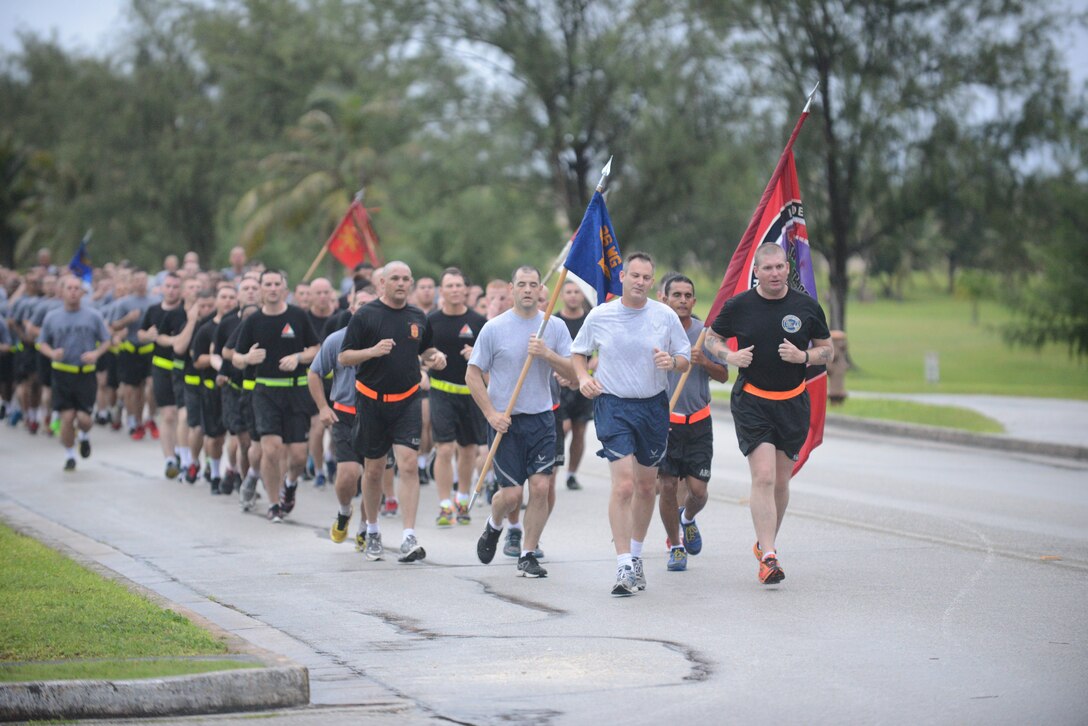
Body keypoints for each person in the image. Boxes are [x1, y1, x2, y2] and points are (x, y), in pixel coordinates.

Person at [704, 242, 833, 585]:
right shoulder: (740, 306)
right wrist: (728, 356)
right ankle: (770, 556)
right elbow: (710, 339)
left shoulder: (806, 306)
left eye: (780, 267)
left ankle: (764, 544)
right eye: (768, 268)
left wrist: (804, 358)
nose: (775, 274)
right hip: (752, 401)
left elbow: (827, 350)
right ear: (756, 272)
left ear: (786, 269)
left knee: (780, 480)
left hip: (792, 401)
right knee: (762, 477)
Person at [571, 252, 690, 596]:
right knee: (623, 486)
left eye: (646, 277)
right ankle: (622, 562)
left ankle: (636, 555)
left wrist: (673, 361)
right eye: (633, 275)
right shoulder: (601, 314)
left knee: (645, 487)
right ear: (622, 276)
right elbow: (578, 353)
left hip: (653, 406)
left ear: (653, 282)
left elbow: (684, 360)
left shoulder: (664, 315)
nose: (639, 282)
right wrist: (582, 377)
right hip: (613, 405)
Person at [468, 266, 574, 578]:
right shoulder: (494, 328)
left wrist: (547, 355)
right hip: (505, 421)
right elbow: (472, 374)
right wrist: (491, 413)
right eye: (521, 284)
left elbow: (572, 372)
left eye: (533, 285)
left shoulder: (552, 327)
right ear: (512, 289)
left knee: (541, 487)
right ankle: (493, 525)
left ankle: (528, 553)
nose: (527, 290)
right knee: (512, 496)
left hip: (541, 418)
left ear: (541, 290)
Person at [338, 261, 446, 563]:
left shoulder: (417, 316)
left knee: (408, 464)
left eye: (405, 279)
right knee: (373, 470)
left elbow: (425, 350)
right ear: (382, 282)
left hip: (408, 399)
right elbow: (345, 357)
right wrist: (372, 352)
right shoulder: (365, 315)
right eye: (394, 278)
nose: (401, 283)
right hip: (372, 400)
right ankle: (372, 529)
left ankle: (408, 536)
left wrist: (436, 358)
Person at [233, 270, 320, 523]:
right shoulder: (252, 321)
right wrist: (248, 359)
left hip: (295, 390)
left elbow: (316, 348)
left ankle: (290, 484)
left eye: (276, 284)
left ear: (285, 288)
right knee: (271, 450)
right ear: (260, 289)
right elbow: (236, 358)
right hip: (265, 391)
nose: (272, 288)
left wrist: (298, 358)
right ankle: (273, 504)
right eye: (267, 284)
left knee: (299, 455)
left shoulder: (297, 316)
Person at [657, 275, 728, 573]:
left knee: (698, 491)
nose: (683, 300)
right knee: (668, 486)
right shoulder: (656, 332)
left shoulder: (705, 334)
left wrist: (704, 361)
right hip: (665, 422)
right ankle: (674, 545)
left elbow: (724, 375)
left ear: (694, 301)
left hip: (698, 422)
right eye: (677, 295)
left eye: (688, 295)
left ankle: (687, 519)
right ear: (665, 299)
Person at [426, 267, 488, 527]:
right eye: (448, 286)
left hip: (471, 394)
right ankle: (444, 504)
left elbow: (490, 362)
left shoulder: (478, 322)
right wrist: (431, 359)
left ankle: (462, 497)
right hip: (441, 391)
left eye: (458, 285)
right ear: (442, 291)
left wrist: (476, 354)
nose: (454, 290)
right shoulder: (431, 321)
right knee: (445, 448)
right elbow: (421, 354)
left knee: (468, 450)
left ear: (466, 290)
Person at [308, 287, 371, 544]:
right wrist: (323, 407)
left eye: (372, 304)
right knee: (348, 474)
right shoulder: (337, 340)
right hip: (345, 414)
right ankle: (344, 512)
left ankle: (368, 527)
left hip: (378, 414)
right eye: (361, 304)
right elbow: (314, 374)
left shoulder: (389, 341)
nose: (366, 309)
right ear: (352, 309)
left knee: (373, 474)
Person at [35, 275, 111, 470]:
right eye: (69, 288)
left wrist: (96, 353)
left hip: (85, 374)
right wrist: (52, 352)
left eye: (77, 288)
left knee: (84, 419)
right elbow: (41, 342)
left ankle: (84, 436)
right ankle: (70, 455)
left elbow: (106, 341)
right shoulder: (52, 317)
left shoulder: (93, 315)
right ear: (62, 291)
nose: (73, 292)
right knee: (67, 417)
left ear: (82, 292)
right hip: (62, 373)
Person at [191, 284, 238, 494]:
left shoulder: (240, 326)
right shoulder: (206, 328)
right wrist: (212, 359)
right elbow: (196, 360)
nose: (228, 301)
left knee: (238, 436)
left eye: (231, 297)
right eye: (224, 297)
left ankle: (234, 472)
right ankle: (215, 473)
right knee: (215, 437)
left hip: (235, 389)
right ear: (217, 301)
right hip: (212, 390)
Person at [139, 273, 186, 478]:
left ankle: (183, 454)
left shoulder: (186, 311)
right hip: (160, 368)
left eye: (176, 287)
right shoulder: (153, 310)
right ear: (161, 288)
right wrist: (147, 336)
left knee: (183, 416)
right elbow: (141, 334)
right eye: (168, 286)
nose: (172, 290)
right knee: (168, 414)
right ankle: (169, 459)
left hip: (183, 369)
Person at [555, 280, 593, 491]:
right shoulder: (554, 321)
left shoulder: (590, 320)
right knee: (564, 426)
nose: (572, 295)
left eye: (577, 292)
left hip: (584, 384)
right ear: (561, 295)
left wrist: (597, 361)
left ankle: (571, 474)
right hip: (559, 385)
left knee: (579, 429)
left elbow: (602, 347)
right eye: (568, 291)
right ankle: (553, 464)